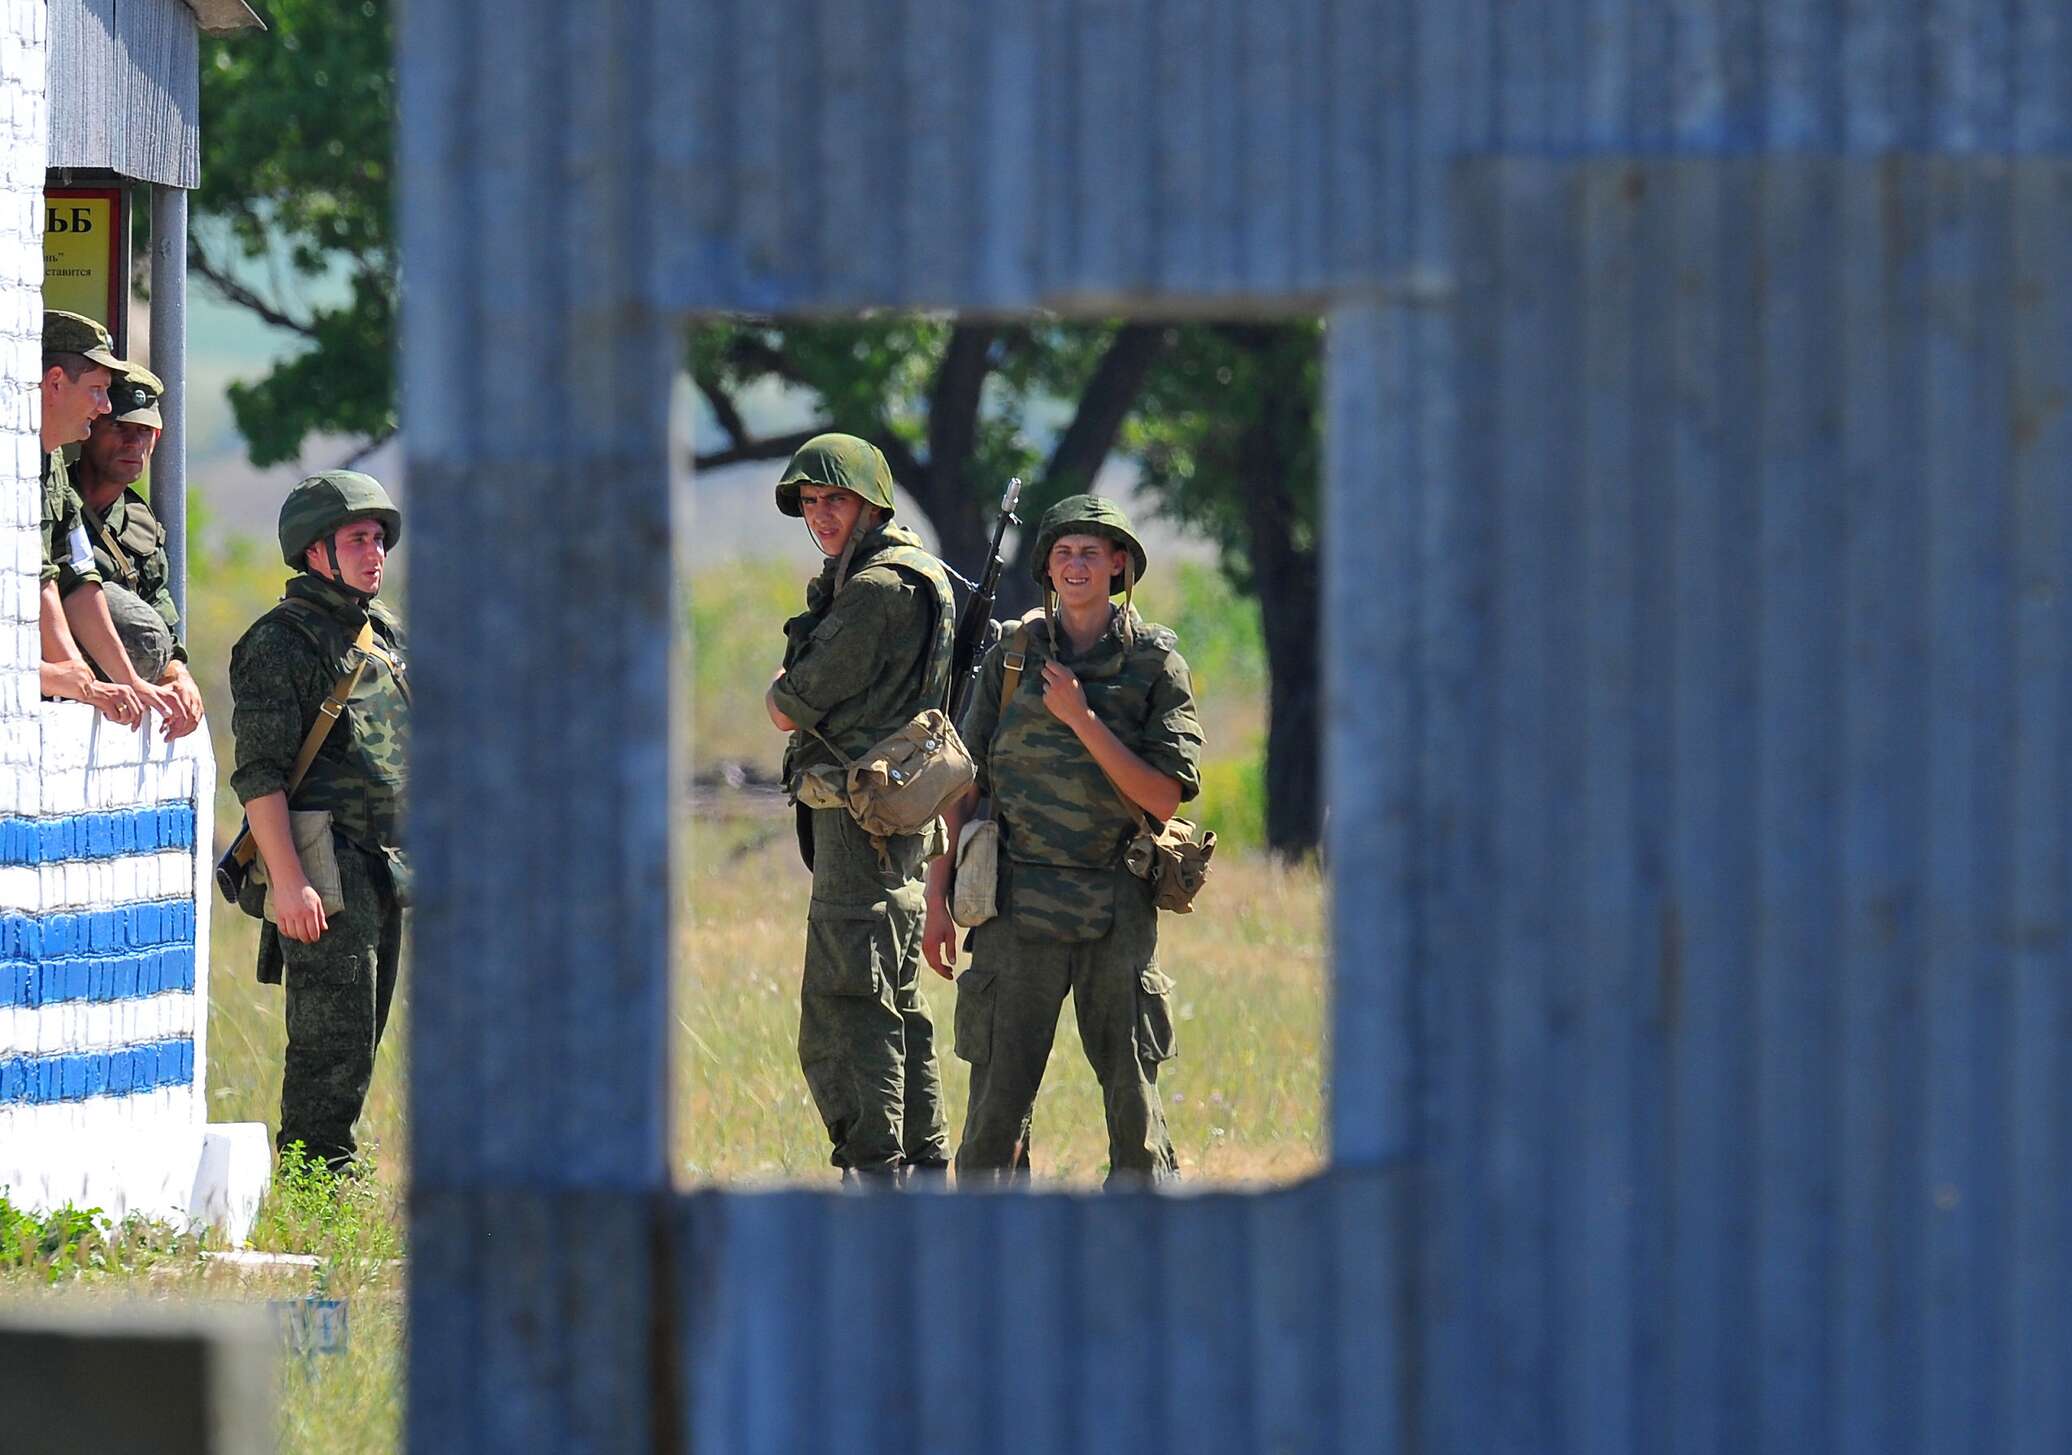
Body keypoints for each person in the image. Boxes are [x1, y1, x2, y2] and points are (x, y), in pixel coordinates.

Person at [922, 494, 1203, 1186]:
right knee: (991, 1126)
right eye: (1063, 552)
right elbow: (961, 784)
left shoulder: (1154, 664)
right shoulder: (1014, 657)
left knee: (1136, 1123)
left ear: (1118, 565)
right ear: (1046, 567)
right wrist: (936, 899)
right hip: (1016, 907)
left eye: (1091, 552)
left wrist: (1081, 718)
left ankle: (1139, 1262)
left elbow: (1164, 796)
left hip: (1114, 905)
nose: (1077, 565)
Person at [763, 432, 952, 1185]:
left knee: (848, 1007)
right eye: (810, 502)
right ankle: (925, 1165)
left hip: (862, 821)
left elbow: (787, 705)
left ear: (872, 502)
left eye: (834, 499)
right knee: (899, 1002)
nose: (821, 515)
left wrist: (785, 681)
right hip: (902, 820)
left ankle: (877, 1173)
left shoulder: (875, 589)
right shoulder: (920, 574)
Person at [229, 472, 410, 1173]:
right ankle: (316, 1180)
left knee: (364, 1029)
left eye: (379, 539)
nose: (375, 553)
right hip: (323, 864)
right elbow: (260, 775)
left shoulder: (381, 628)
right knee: (329, 1040)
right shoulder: (281, 642)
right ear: (314, 551)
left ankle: (329, 1173)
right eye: (357, 539)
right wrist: (291, 879)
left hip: (383, 862)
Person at [65, 359, 204, 738]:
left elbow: (162, 621)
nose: (133, 443)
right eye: (120, 428)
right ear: (89, 429)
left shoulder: (142, 525)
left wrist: (180, 676)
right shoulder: (55, 497)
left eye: (144, 431)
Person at [37, 310, 159, 728]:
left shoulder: (50, 460)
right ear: (55, 383)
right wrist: (78, 679)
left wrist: (128, 681)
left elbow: (76, 575)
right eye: (96, 391)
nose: (105, 407)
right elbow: (38, 581)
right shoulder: (13, 456)